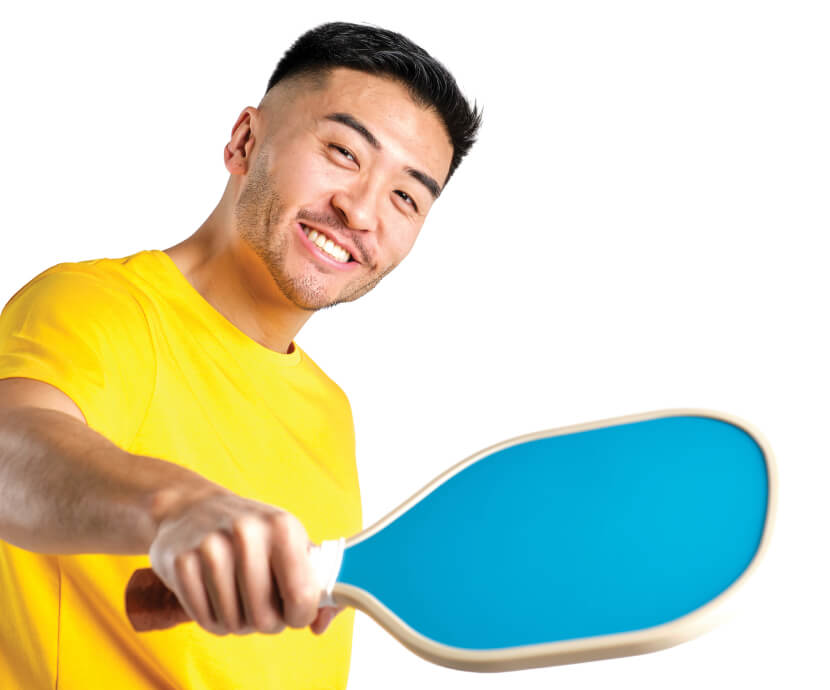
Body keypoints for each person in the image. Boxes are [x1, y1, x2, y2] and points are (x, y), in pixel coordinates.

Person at [0, 22, 481, 689]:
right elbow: (11, 449)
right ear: (245, 142)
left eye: (406, 196)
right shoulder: (98, 305)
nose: (362, 210)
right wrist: (175, 508)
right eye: (343, 152)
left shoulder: (330, 412)